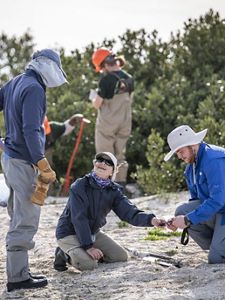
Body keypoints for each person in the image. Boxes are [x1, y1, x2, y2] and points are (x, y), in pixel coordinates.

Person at [0, 48, 67, 292]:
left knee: (18, 214)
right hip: (22, 161)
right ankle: (18, 278)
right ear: (46, 65)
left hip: (9, 159)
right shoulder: (35, 88)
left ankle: (20, 271)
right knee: (25, 219)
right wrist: (41, 162)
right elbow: (31, 129)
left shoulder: (15, 81)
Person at [54, 151, 165, 271]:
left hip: (92, 233)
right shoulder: (79, 186)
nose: (102, 163)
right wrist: (88, 247)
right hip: (69, 232)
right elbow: (79, 218)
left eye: (108, 162)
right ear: (94, 164)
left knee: (120, 256)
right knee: (88, 265)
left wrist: (152, 220)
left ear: (112, 171)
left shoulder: (114, 191)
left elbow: (129, 212)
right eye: (99, 160)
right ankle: (63, 253)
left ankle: (84, 253)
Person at [165, 125, 225, 264]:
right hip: (219, 211)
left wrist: (187, 220)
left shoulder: (213, 159)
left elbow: (218, 199)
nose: (179, 157)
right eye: (177, 153)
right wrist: (178, 220)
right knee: (182, 211)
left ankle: (219, 247)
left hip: (222, 208)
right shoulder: (189, 169)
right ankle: (218, 245)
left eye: (181, 151)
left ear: (192, 145)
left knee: (216, 259)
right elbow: (195, 201)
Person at [90, 47, 134, 188]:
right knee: (120, 155)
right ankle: (120, 186)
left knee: (104, 155)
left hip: (108, 122)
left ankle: (104, 186)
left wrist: (92, 98)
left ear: (104, 65)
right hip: (125, 121)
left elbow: (98, 104)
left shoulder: (106, 80)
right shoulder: (129, 78)